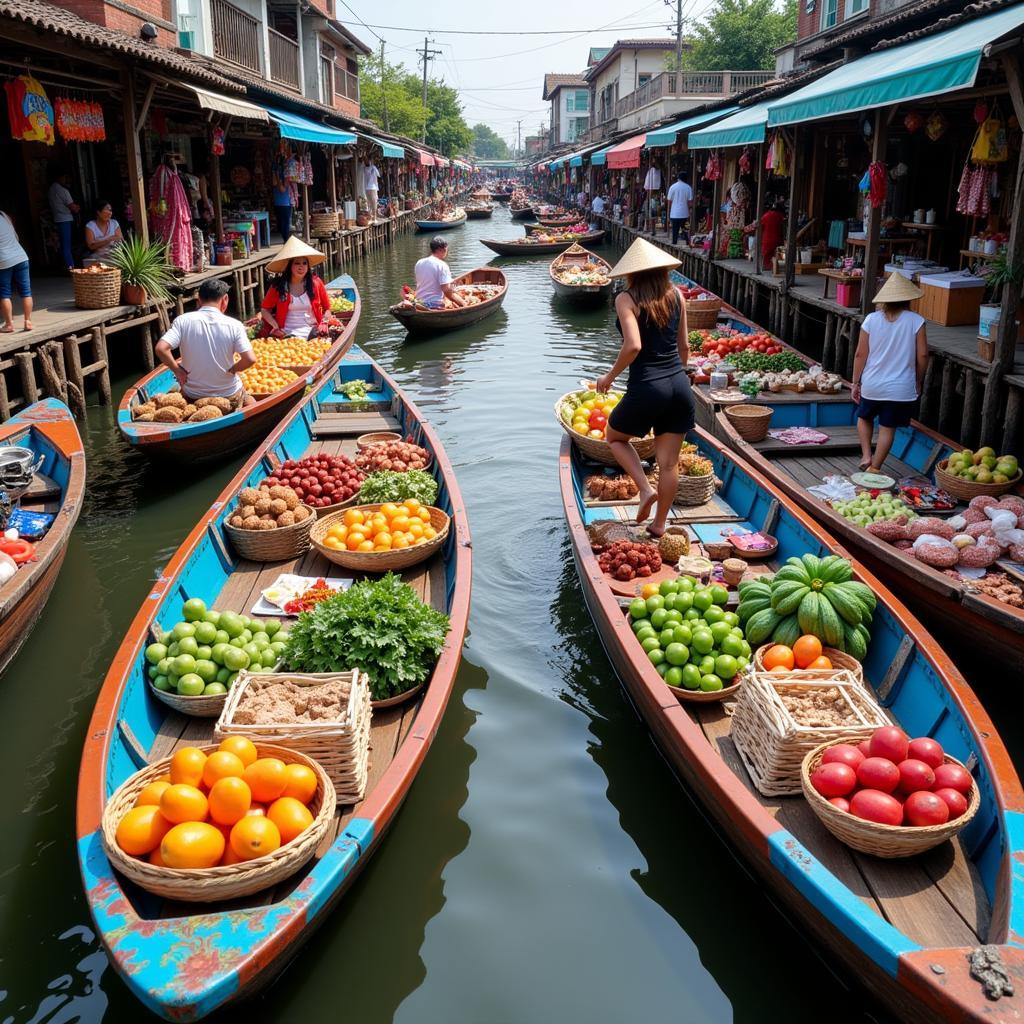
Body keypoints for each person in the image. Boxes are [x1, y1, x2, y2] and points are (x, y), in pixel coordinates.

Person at [596, 238, 695, 537]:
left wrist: (609, 377)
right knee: (668, 464)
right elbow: (685, 348)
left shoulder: (626, 299)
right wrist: (677, 377)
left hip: (648, 386)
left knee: (614, 437)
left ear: (632, 272)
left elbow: (633, 346)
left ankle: (643, 488)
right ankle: (659, 525)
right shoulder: (677, 295)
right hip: (679, 385)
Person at [852, 274, 928, 473]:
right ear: (907, 298)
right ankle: (875, 467)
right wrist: (918, 380)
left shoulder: (871, 320)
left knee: (864, 417)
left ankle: (866, 454)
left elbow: (860, 354)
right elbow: (923, 355)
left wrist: (855, 382)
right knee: (888, 427)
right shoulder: (916, 321)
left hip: (872, 384)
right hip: (901, 387)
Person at [155, 279, 255, 406]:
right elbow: (250, 359)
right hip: (228, 394)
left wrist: (177, 371)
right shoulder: (234, 325)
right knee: (248, 399)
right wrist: (233, 369)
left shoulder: (182, 321)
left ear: (199, 301)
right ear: (225, 299)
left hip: (193, 395)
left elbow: (161, 348)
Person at [259, 236, 331, 340]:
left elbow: (327, 308)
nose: (301, 267)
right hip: (285, 333)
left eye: (304, 263)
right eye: (297, 263)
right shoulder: (278, 286)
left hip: (312, 331)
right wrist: (275, 326)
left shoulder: (316, 283)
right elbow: (265, 310)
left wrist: (324, 322)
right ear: (289, 266)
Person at [149, 154, 193, 271]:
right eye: (172, 159)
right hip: (169, 209)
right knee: (171, 237)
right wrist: (162, 205)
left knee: (173, 236)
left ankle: (176, 264)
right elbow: (162, 193)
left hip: (172, 208)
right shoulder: (163, 171)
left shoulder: (168, 172)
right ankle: (172, 265)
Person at [0, 210, 32, 333]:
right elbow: (15, 236)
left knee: (4, 293)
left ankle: (8, 324)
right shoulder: (3, 214)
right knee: (26, 291)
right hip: (21, 256)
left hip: (3, 260)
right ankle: (28, 321)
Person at [414, 237, 465, 310]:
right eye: (446, 249)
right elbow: (447, 291)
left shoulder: (419, 262)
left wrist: (450, 282)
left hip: (419, 302)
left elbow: (427, 280)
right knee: (457, 300)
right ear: (443, 249)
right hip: (434, 304)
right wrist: (463, 303)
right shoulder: (442, 265)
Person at [48, 170, 79, 270]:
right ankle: (71, 267)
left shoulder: (51, 189)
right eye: (65, 177)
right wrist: (78, 208)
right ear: (61, 177)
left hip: (56, 219)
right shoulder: (63, 190)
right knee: (66, 245)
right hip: (65, 219)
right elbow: (72, 207)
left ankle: (64, 265)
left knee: (60, 244)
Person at [746, 199, 786, 267]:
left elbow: (757, 226)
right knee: (778, 257)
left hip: (767, 240)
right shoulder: (781, 216)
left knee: (766, 258)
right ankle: (776, 269)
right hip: (778, 240)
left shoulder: (766, 215)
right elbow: (783, 229)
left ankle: (767, 268)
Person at [83, 199, 123, 267]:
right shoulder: (90, 226)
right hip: (98, 257)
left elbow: (120, 239)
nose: (110, 213)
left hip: (115, 256)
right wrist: (109, 239)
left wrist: (98, 242)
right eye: (107, 210)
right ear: (98, 212)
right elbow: (91, 246)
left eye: (110, 210)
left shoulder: (114, 223)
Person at [667, 171, 693, 246]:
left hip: (674, 214)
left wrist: (670, 211)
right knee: (685, 229)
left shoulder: (672, 187)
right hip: (684, 213)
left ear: (678, 178)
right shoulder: (688, 187)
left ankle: (674, 243)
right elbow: (690, 202)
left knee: (675, 230)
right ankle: (688, 243)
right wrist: (690, 211)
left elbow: (669, 201)